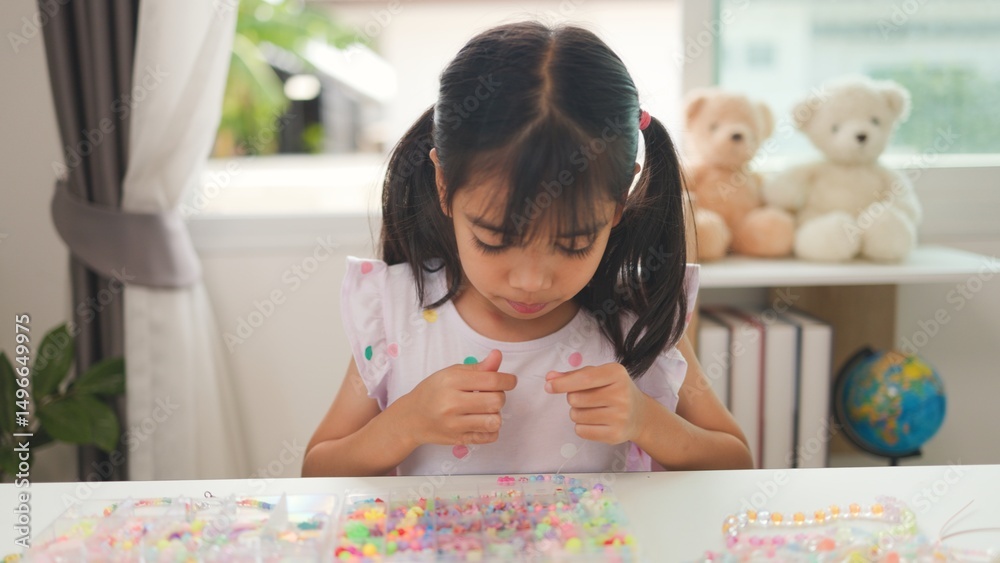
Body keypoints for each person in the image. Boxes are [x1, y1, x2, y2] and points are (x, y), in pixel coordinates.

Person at [303, 21, 752, 477]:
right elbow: (318, 471)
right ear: (443, 184)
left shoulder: (637, 315)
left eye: (574, 244)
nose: (531, 281)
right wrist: (404, 423)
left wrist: (647, 421)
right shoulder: (396, 310)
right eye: (494, 240)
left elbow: (735, 461)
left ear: (619, 202)